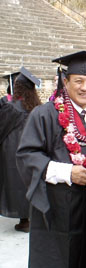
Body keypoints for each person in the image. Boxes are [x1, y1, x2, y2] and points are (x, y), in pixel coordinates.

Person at [16, 51, 86, 268]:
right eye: (78, 81)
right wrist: (68, 172)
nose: (85, 87)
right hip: (56, 208)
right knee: (56, 261)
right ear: (65, 81)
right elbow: (26, 156)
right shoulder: (44, 114)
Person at [0, 67, 42, 232]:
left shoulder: (11, 107)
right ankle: (32, 217)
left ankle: (25, 220)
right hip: (33, 150)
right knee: (30, 183)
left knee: (16, 184)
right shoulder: (37, 107)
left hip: (12, 151)